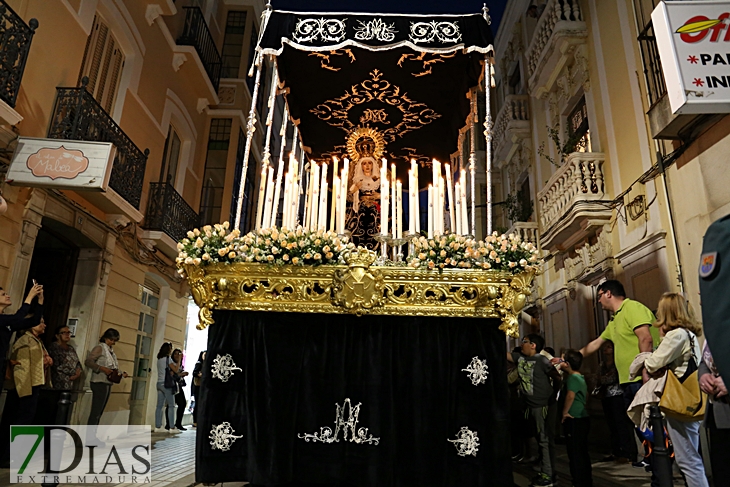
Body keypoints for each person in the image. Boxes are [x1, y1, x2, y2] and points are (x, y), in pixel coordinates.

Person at [575, 280, 659, 466]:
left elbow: (645, 338)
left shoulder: (632, 308)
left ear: (608, 294)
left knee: (649, 422)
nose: (598, 301)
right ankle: (652, 460)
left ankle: (660, 462)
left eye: (599, 296)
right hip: (628, 381)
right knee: (639, 423)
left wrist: (645, 370)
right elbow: (597, 343)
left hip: (641, 378)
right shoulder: (614, 320)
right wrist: (572, 357)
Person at [644, 293, 709, 487]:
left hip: (680, 399)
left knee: (687, 459)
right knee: (691, 455)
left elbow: (652, 363)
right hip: (691, 394)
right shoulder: (688, 334)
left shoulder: (675, 335)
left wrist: (660, 344)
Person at [508, 333, 562, 487]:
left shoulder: (542, 361)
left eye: (524, 342)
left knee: (545, 439)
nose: (521, 344)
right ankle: (548, 471)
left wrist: (552, 397)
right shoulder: (521, 359)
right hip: (530, 405)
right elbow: (504, 355)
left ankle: (547, 476)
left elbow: (557, 377)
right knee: (540, 440)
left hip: (542, 405)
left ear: (533, 345)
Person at [0, 318, 52, 466]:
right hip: (24, 387)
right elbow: (20, 367)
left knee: (25, 421)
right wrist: (24, 389)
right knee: (19, 421)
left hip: (34, 385)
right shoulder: (25, 340)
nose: (44, 324)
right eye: (40, 322)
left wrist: (47, 360)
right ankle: (9, 456)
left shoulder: (37, 340)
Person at [596, 341, 635, 463]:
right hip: (606, 396)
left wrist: (602, 379)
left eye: (609, 347)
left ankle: (625, 452)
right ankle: (616, 450)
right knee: (611, 424)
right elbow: (598, 378)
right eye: (605, 347)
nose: (605, 349)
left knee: (620, 423)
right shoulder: (602, 364)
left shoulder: (617, 363)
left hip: (617, 395)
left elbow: (611, 378)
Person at [37, 325, 82, 425]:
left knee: (62, 414)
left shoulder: (71, 349)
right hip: (56, 384)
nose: (67, 335)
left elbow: (78, 363)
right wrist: (73, 373)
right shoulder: (54, 347)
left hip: (68, 385)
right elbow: (57, 364)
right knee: (50, 413)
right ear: (57, 335)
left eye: (68, 333)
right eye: (64, 333)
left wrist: (78, 372)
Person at [699, 342, 730, 485]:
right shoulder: (717, 325)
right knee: (721, 469)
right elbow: (705, 359)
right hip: (717, 408)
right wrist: (703, 375)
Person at [0, 283, 44, 385]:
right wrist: (30, 296)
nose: (8, 296)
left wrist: (40, 299)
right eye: (3, 295)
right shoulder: (4, 320)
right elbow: (17, 317)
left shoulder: (7, 321)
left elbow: (35, 321)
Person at [560, 350, 592, 487]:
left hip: (574, 417)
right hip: (583, 416)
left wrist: (564, 412)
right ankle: (586, 480)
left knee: (575, 453)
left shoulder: (572, 378)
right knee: (582, 451)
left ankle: (578, 481)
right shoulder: (580, 377)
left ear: (567, 364)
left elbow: (570, 396)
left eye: (562, 361)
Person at [85, 328, 128, 426]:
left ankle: (93, 435)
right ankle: (89, 437)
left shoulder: (111, 351)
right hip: (99, 382)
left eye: (114, 341)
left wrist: (121, 374)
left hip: (107, 382)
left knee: (100, 412)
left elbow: (112, 368)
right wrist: (101, 368)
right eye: (111, 339)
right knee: (96, 411)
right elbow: (88, 361)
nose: (112, 342)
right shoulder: (99, 348)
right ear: (105, 338)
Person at [345, 137, 382, 250]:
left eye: (369, 163)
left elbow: (389, 196)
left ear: (373, 165)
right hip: (359, 212)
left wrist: (379, 196)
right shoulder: (357, 180)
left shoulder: (379, 180)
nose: (367, 166)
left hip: (376, 211)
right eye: (364, 163)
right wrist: (355, 188)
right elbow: (348, 196)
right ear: (360, 166)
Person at [155, 342, 180, 433]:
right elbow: (176, 369)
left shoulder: (159, 359)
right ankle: (172, 427)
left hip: (159, 383)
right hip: (167, 385)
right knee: (171, 405)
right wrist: (179, 360)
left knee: (159, 406)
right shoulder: (168, 359)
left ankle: (158, 426)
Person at [165, 348, 189, 431]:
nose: (177, 356)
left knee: (182, 404)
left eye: (179, 354)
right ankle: (168, 424)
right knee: (170, 405)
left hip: (178, 386)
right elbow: (172, 375)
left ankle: (178, 423)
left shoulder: (179, 364)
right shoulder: (171, 363)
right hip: (172, 386)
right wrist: (180, 374)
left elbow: (177, 373)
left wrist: (181, 374)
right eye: (175, 354)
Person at [191, 351, 206, 427]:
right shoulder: (199, 363)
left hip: (202, 387)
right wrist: (200, 374)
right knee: (197, 404)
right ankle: (195, 421)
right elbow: (194, 373)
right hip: (198, 386)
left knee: (201, 404)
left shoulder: (206, 364)